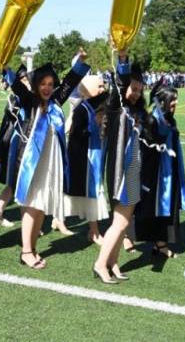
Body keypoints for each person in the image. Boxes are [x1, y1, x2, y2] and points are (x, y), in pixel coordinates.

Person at [7, 51, 90, 269]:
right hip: (33, 165)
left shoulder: (54, 102)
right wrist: (5, 66)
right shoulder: (29, 101)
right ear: (35, 86)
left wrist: (79, 63)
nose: (46, 87)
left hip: (50, 165)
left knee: (41, 208)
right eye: (42, 83)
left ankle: (33, 248)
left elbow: (70, 83)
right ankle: (26, 251)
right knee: (31, 207)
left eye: (50, 84)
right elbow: (16, 86)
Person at [92, 55, 146, 283]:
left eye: (140, 90)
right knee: (121, 222)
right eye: (133, 88)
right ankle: (100, 264)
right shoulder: (117, 107)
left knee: (125, 222)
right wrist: (122, 57)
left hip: (134, 170)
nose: (136, 93)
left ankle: (113, 262)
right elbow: (120, 83)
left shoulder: (138, 111)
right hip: (119, 172)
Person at [134, 80, 185, 259]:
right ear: (162, 101)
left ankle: (162, 243)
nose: (176, 103)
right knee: (157, 208)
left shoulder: (168, 119)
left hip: (170, 170)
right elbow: (149, 147)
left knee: (169, 208)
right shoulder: (152, 120)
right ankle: (159, 244)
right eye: (172, 99)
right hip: (157, 174)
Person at [64, 74, 109, 244]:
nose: (102, 89)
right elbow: (76, 135)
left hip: (95, 156)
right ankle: (94, 231)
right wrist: (92, 129)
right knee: (91, 194)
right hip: (86, 159)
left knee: (88, 194)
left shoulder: (95, 106)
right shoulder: (82, 109)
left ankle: (58, 220)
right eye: (98, 86)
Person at [0, 65, 29, 228]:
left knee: (15, 183)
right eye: (24, 79)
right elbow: (13, 117)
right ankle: (23, 220)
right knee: (16, 182)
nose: (27, 82)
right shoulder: (15, 98)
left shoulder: (28, 97)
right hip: (13, 143)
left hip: (21, 144)